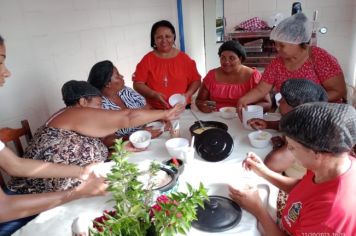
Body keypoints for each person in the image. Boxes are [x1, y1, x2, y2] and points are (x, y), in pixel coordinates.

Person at [0, 35, 107, 235]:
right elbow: (3, 209)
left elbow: (15, 165)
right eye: (0, 62)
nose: (7, 72)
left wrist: (81, 172)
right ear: (82, 103)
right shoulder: (71, 116)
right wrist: (75, 194)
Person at [7, 80, 184, 195]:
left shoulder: (77, 122)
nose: (103, 110)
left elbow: (80, 157)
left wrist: (120, 149)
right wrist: (166, 113)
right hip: (32, 196)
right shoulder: (74, 113)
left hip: (70, 190)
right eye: (99, 104)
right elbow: (128, 117)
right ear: (83, 102)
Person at [229, 102, 356, 235]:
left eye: (292, 147)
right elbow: (304, 188)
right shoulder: (331, 164)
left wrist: (258, 209)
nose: (288, 150)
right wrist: (263, 172)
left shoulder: (331, 215)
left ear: (316, 153)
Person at [238, 13, 346, 109]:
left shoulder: (319, 57)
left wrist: (306, 103)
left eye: (281, 45)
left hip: (325, 114)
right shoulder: (277, 64)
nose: (277, 48)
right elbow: (261, 90)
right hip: (294, 115)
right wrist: (243, 100)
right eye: (275, 43)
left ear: (297, 40)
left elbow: (338, 91)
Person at [248, 79, 328, 173]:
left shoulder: (301, 134)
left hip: (298, 181)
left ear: (296, 107)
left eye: (284, 100)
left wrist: (281, 147)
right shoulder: (306, 118)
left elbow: (272, 164)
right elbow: (287, 124)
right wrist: (268, 124)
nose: (280, 101)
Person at [87, 60, 162, 148]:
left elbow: (147, 108)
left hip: (148, 137)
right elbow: (107, 140)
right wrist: (137, 136)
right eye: (117, 75)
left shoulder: (126, 91)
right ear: (108, 83)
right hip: (127, 148)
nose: (122, 76)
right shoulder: (99, 106)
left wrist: (161, 118)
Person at [133, 20, 201, 109]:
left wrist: (188, 94)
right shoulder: (147, 60)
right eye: (159, 37)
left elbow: (196, 80)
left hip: (182, 108)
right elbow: (137, 84)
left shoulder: (184, 59)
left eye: (168, 36)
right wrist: (153, 94)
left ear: (174, 37)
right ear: (154, 39)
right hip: (156, 110)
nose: (164, 41)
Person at [195, 40, 271, 113]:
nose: (226, 62)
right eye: (223, 58)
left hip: (243, 119)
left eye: (232, 58)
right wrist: (202, 106)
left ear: (240, 58)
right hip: (215, 117)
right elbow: (199, 100)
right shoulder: (211, 75)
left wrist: (249, 111)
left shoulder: (253, 76)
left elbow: (267, 103)